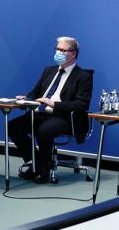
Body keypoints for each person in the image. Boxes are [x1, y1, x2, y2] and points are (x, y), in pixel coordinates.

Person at [7, 37, 93, 184]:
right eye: (57, 49)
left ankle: (43, 170)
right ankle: (38, 164)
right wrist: (25, 98)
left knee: (44, 130)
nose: (58, 52)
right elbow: (35, 92)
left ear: (73, 53)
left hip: (64, 117)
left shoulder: (83, 76)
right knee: (13, 126)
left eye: (62, 50)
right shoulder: (49, 70)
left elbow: (81, 105)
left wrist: (53, 104)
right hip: (41, 113)